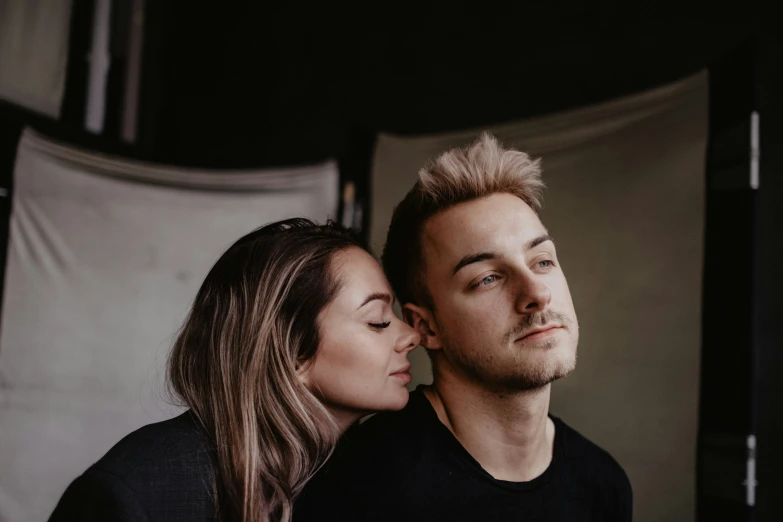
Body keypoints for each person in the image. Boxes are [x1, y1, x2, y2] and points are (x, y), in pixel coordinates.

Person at [295, 134, 632, 521]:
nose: (537, 293)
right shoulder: (356, 488)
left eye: (542, 261)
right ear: (426, 326)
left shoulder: (602, 484)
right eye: (487, 278)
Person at [48, 218, 419, 522]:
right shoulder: (140, 493)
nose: (411, 336)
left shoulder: (369, 477)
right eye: (378, 321)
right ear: (291, 352)